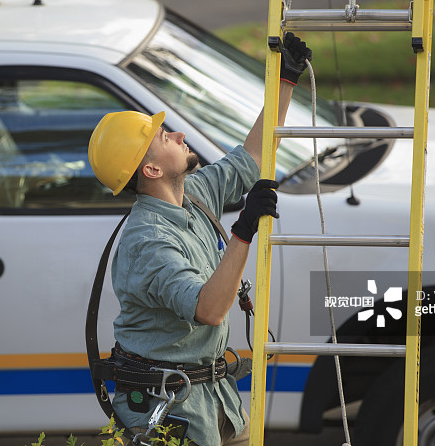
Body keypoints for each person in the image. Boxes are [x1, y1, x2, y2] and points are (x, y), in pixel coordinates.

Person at [87, 33, 312, 446]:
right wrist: (244, 230)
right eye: (163, 138)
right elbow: (209, 309)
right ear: (152, 171)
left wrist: (286, 80)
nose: (176, 134)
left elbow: (252, 159)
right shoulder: (148, 242)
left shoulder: (193, 194)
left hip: (216, 402)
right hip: (169, 413)